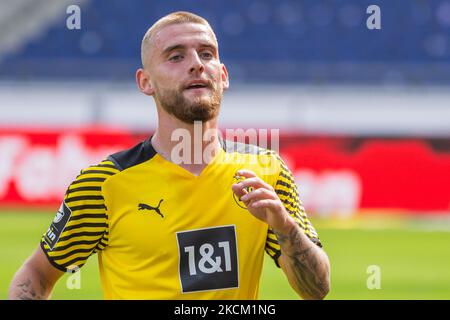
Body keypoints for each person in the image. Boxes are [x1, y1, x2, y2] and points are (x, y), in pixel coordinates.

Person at [8, 11, 330, 300]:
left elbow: (316, 289)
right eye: (176, 56)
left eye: (207, 54)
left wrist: (285, 227)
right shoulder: (103, 185)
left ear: (223, 75)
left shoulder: (266, 172)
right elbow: (36, 276)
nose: (196, 63)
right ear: (145, 82)